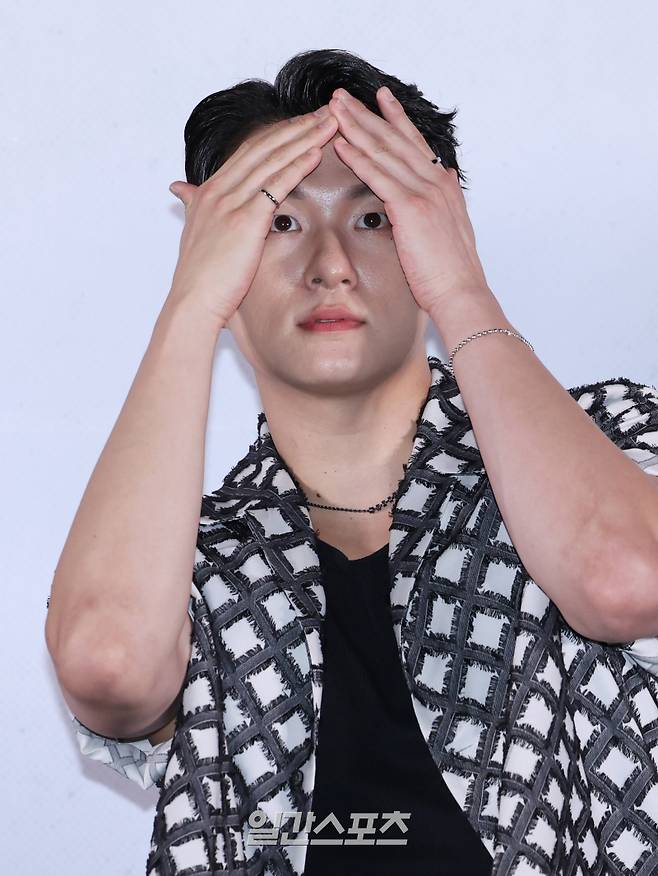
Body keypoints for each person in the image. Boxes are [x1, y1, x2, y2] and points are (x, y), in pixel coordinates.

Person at [45, 48, 658, 876]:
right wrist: (188, 309)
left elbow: (626, 580)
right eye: (278, 223)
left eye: (374, 219)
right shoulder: (189, 562)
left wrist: (463, 291)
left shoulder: (608, 437)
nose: (330, 265)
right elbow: (109, 663)